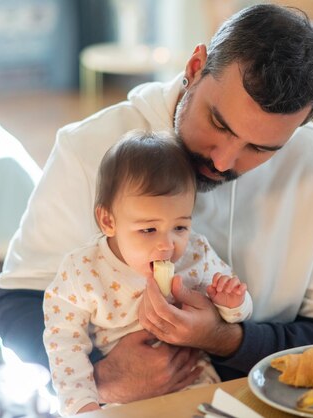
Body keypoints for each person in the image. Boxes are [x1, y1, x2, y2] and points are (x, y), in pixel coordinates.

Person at [0, 3, 313, 404]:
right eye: (218, 123)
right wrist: (102, 378)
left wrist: (226, 340)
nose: (223, 161)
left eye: (260, 148)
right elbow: (16, 303)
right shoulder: (86, 151)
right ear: (195, 66)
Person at [43, 130, 252, 415]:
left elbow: (237, 315)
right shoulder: (83, 272)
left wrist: (234, 303)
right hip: (123, 401)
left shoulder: (196, 254)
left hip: (198, 389)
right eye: (148, 230)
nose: (167, 245)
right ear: (108, 221)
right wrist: (83, 405)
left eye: (180, 227)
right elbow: (63, 343)